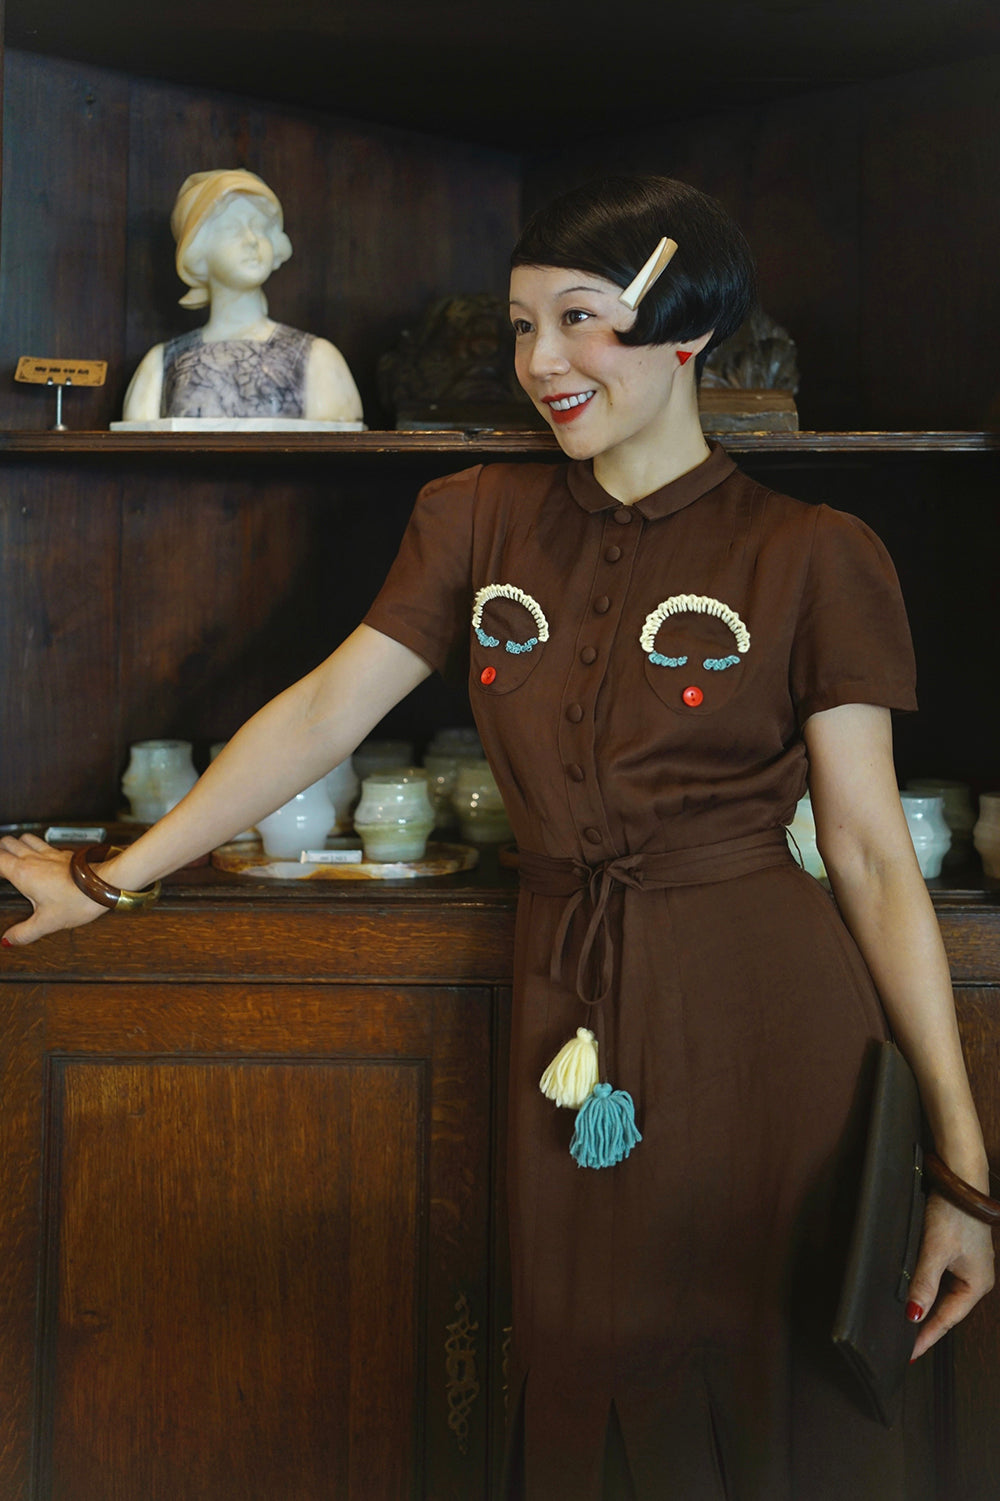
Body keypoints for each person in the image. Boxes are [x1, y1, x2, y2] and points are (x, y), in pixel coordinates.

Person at [2, 175, 994, 1499]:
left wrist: (965, 1175)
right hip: (562, 996)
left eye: (580, 322)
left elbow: (871, 853)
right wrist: (111, 881)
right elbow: (320, 716)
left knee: (763, 1382)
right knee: (580, 1360)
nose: (542, 363)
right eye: (524, 327)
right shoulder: (471, 516)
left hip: (763, 1015)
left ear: (685, 331)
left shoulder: (819, 554)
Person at [122, 168, 363, 423]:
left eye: (260, 228)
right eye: (232, 229)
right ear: (198, 252)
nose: (252, 240)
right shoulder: (161, 365)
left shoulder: (318, 360)